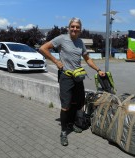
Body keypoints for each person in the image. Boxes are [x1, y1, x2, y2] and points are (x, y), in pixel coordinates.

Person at [39, 17, 105, 146]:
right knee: (66, 105)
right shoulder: (62, 39)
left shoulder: (80, 42)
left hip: (78, 76)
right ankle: (63, 132)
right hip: (66, 76)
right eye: (73, 26)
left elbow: (87, 59)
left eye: (77, 27)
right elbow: (43, 48)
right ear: (69, 28)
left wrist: (98, 70)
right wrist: (56, 61)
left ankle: (72, 123)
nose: (75, 29)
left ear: (80, 29)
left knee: (79, 102)